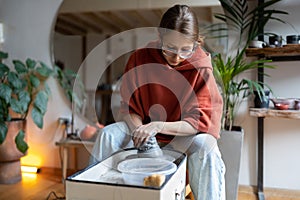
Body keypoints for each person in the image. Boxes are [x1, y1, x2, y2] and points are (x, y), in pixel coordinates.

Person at [90, 4, 225, 200]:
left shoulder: (201, 68)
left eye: (186, 49)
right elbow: (129, 108)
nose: (177, 57)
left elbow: (200, 123)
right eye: (169, 48)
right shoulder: (140, 58)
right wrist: (142, 132)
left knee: (207, 146)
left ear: (196, 43)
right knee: (107, 135)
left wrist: (157, 126)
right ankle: (93, 195)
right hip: (144, 133)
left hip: (180, 136)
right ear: (160, 37)